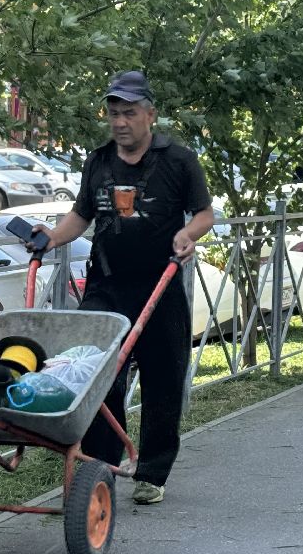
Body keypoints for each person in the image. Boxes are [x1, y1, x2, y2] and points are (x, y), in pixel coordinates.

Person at [35, 71, 214, 505]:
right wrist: (50, 238)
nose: (120, 122)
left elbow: (205, 213)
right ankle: (99, 470)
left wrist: (188, 235)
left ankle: (151, 472)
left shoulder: (179, 160)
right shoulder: (98, 162)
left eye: (129, 113)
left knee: (163, 379)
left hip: (161, 285)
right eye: (114, 113)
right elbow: (81, 216)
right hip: (107, 285)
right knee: (95, 376)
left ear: (150, 115)